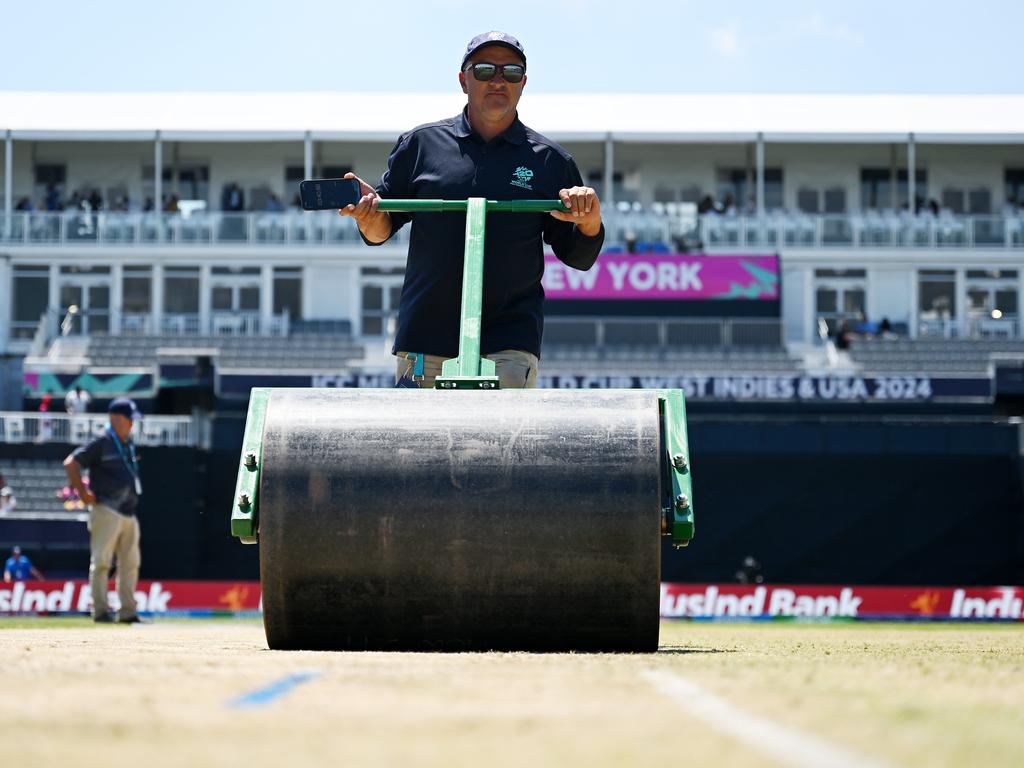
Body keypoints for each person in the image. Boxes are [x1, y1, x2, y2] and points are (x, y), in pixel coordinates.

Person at [340, 31, 603, 389]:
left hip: (508, 344)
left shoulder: (551, 161)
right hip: (424, 342)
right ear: (463, 80)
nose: (498, 80)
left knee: (501, 447)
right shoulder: (420, 145)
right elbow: (381, 229)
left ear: (523, 84)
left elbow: (577, 255)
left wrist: (589, 223)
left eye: (510, 72)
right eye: (484, 70)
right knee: (419, 447)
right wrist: (368, 216)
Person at [63, 398, 145, 623]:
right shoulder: (101, 441)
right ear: (116, 419)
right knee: (101, 563)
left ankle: (128, 612)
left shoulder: (127, 442)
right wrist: (83, 493)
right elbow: (71, 463)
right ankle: (100, 612)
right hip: (106, 510)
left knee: (130, 564)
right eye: (130, 419)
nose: (132, 424)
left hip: (129, 513)